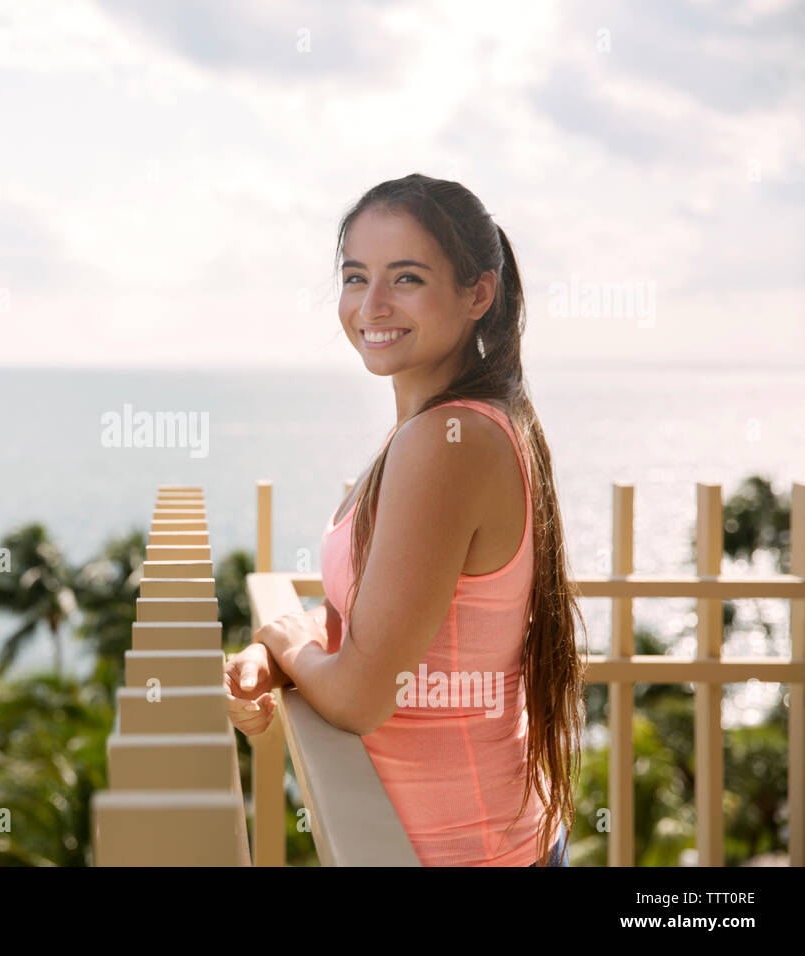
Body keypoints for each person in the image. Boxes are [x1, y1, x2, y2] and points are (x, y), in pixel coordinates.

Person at [224, 173, 585, 867]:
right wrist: (280, 658)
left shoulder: (447, 442)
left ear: (478, 293)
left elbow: (361, 696)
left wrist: (285, 638)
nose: (372, 304)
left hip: (467, 853)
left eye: (408, 278)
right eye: (356, 277)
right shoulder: (449, 429)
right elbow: (388, 625)